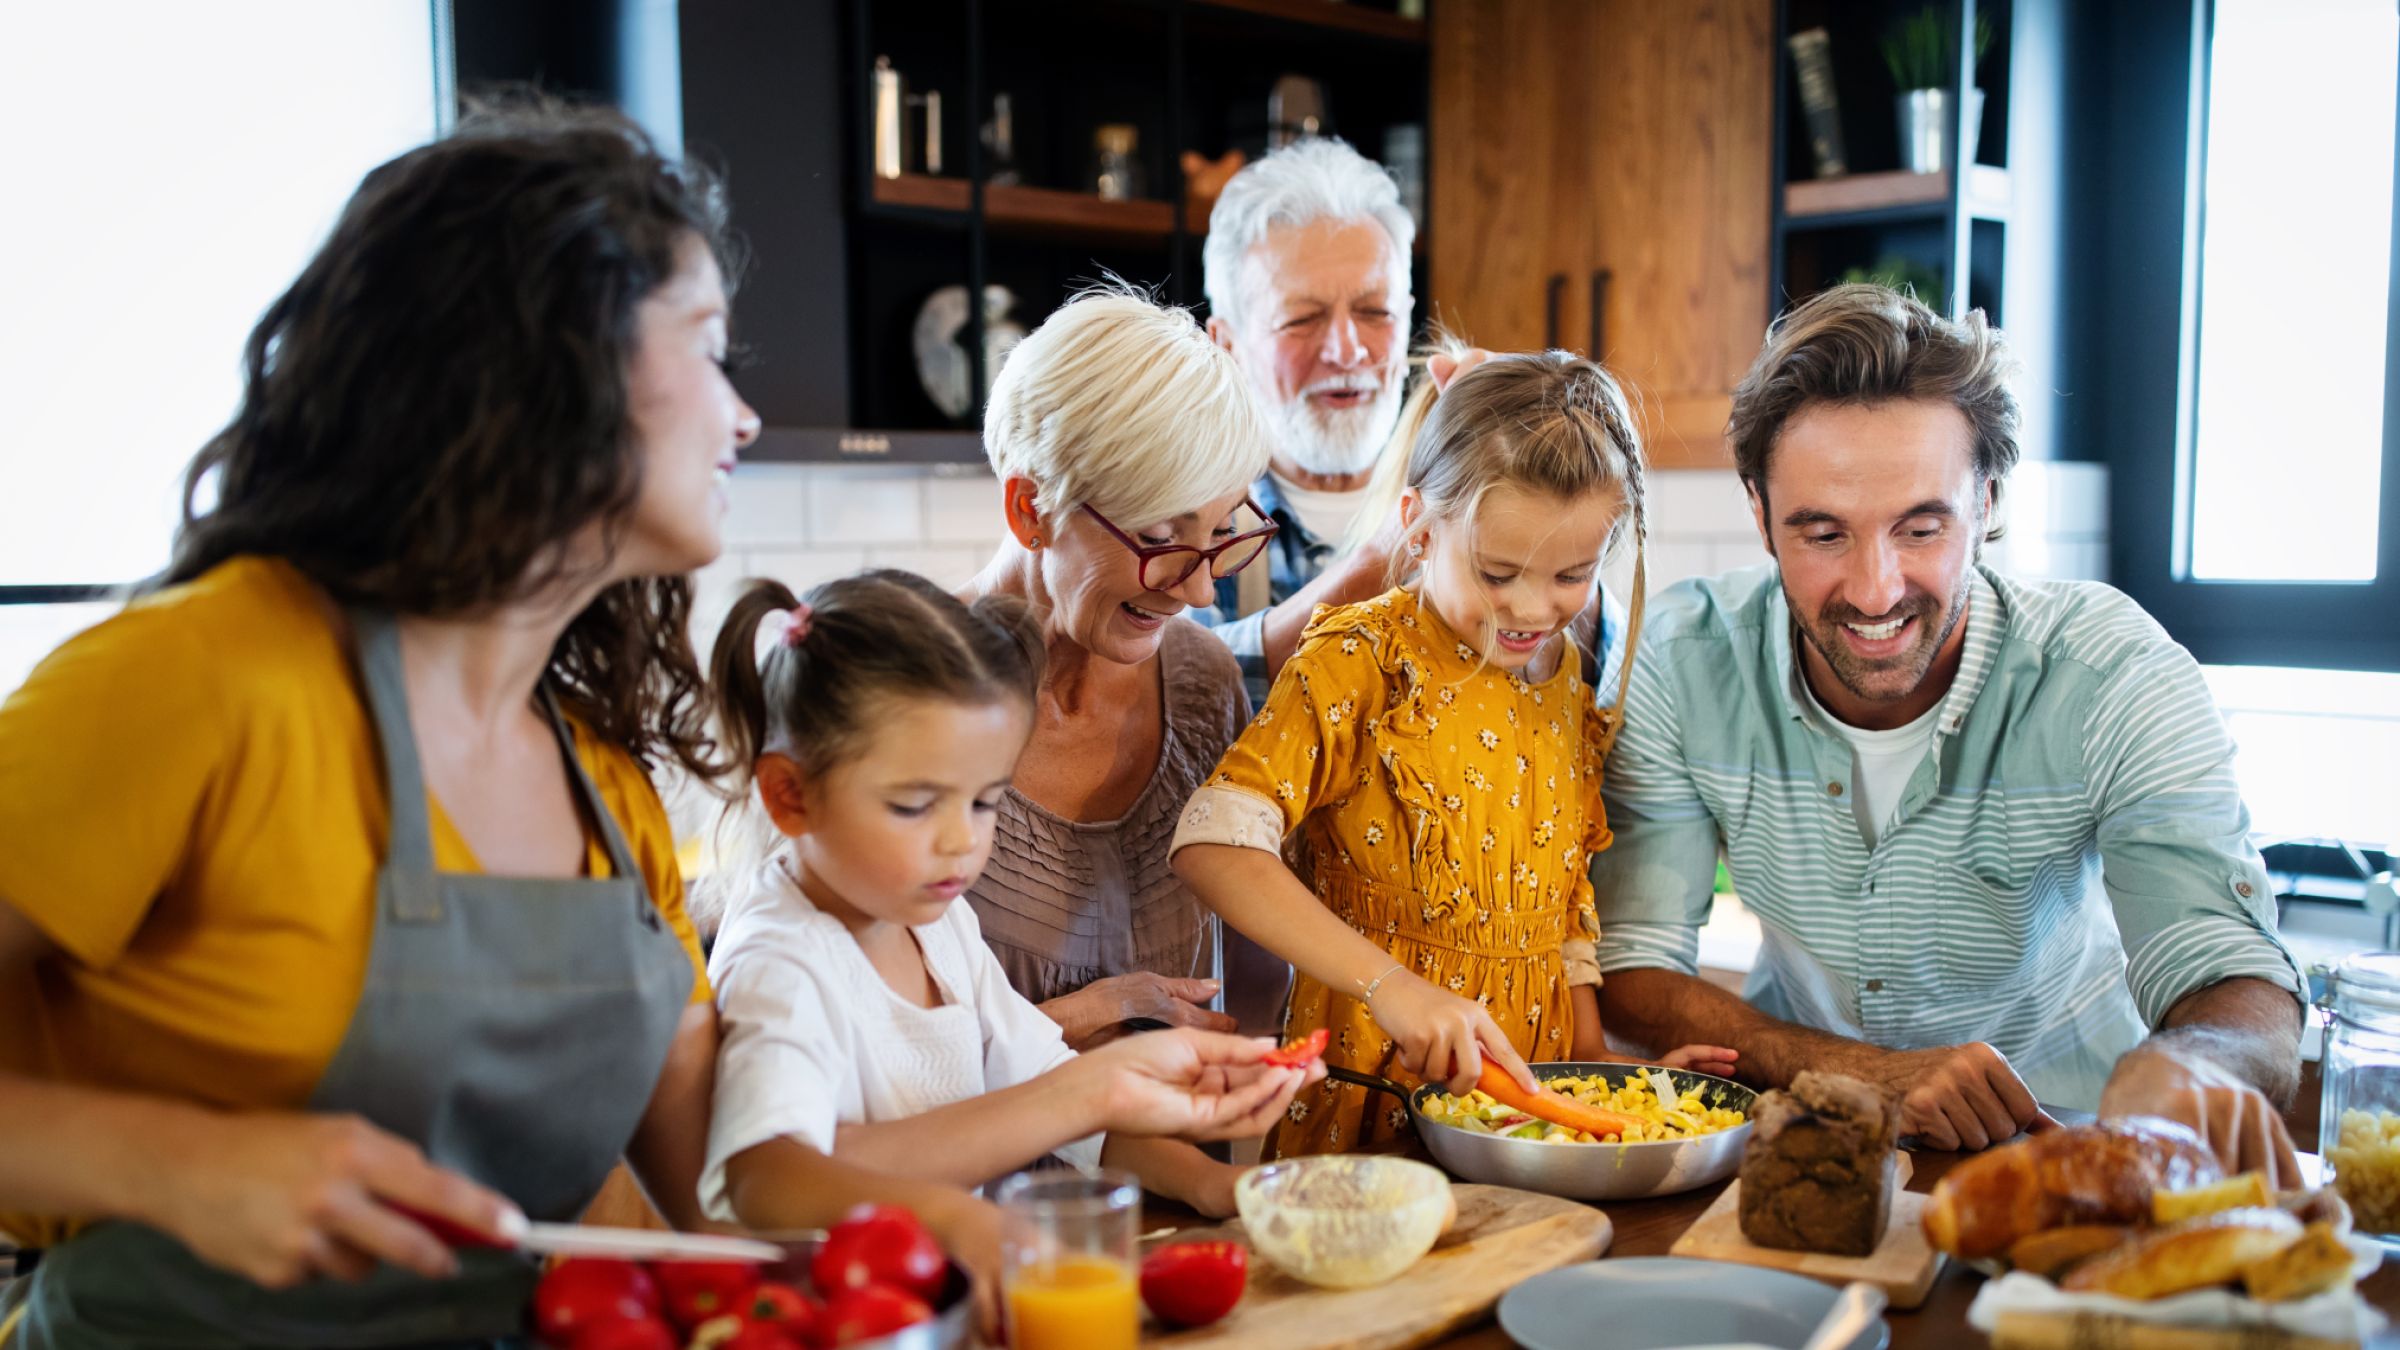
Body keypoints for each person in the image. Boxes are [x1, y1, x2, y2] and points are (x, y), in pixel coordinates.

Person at [1588, 284, 2308, 1182]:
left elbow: (2231, 970)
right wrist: (1867, 1075)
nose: (1876, 588)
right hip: (1801, 1154)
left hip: (2076, 1147)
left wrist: (2188, 1070)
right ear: (1758, 512)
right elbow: (1631, 970)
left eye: (1921, 527)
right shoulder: (1683, 660)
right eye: (1822, 534)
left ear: (1989, 501)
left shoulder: (2114, 673)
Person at [1172, 351, 1735, 1159]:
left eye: (1573, 574)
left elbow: (1564, 909)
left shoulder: (1565, 679)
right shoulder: (1360, 661)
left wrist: (1599, 1074)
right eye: (1498, 572)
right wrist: (1391, 986)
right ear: (1419, 522)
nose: (1533, 610)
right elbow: (1212, 845)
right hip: (1374, 1097)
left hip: (1529, 1113)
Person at [696, 572, 1316, 1270]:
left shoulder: (937, 923)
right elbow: (763, 1177)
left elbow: (1060, 1102)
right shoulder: (782, 959)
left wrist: (1215, 1183)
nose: (962, 841)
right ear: (789, 794)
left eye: (985, 802)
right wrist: (955, 1214)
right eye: (913, 806)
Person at [1200, 139, 1629, 714]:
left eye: (1375, 312)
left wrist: (1534, 483)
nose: (1348, 350)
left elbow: (1610, 683)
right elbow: (1181, 698)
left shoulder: (1475, 477)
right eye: (1302, 319)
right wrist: (1391, 552)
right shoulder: (1191, 520)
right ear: (1226, 344)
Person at [959, 292, 1281, 1046]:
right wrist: (1080, 1020)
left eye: (1224, 532)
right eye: (1161, 536)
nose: (1200, 589)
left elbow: (1256, 983)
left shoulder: (1204, 685)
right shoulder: (897, 692)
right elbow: (851, 1067)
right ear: (1029, 510)